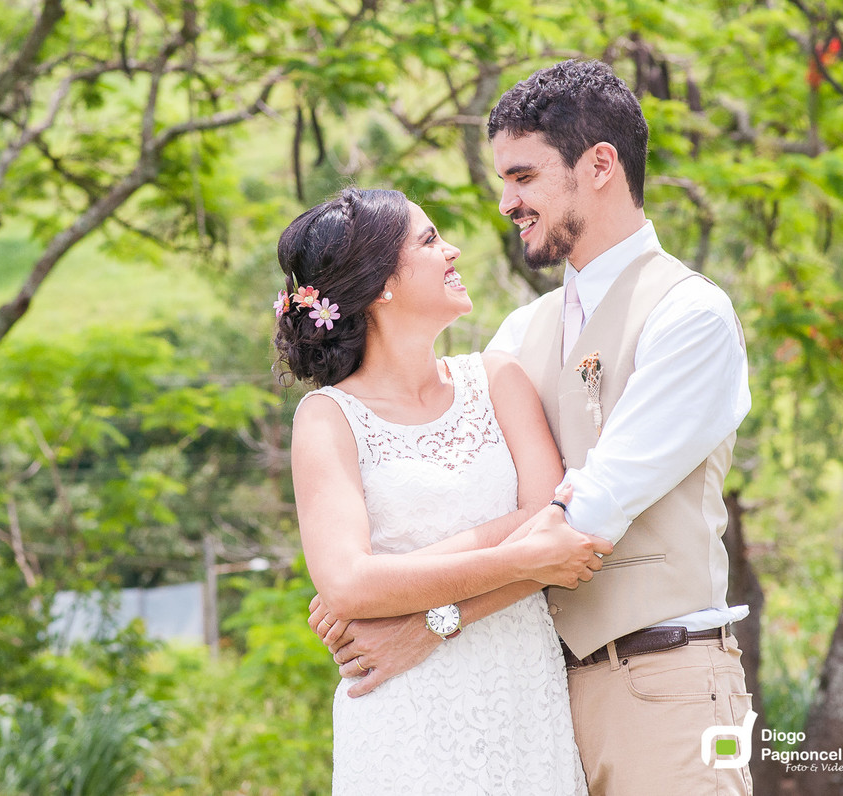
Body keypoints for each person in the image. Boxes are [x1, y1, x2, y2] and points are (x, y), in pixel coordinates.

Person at [313, 60, 754, 795]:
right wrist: (359, 581)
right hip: (535, 700)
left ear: (601, 165)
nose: (506, 203)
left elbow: (582, 519)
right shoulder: (520, 336)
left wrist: (417, 618)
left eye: (523, 177)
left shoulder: (689, 316)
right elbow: (481, 504)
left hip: (664, 684)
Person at [275, 186, 613, 794]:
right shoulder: (327, 418)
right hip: (401, 709)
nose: (453, 250)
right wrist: (521, 556)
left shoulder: (498, 378)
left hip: (522, 691)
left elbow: (551, 519)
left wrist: (407, 592)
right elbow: (347, 585)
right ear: (381, 283)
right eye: (430, 240)